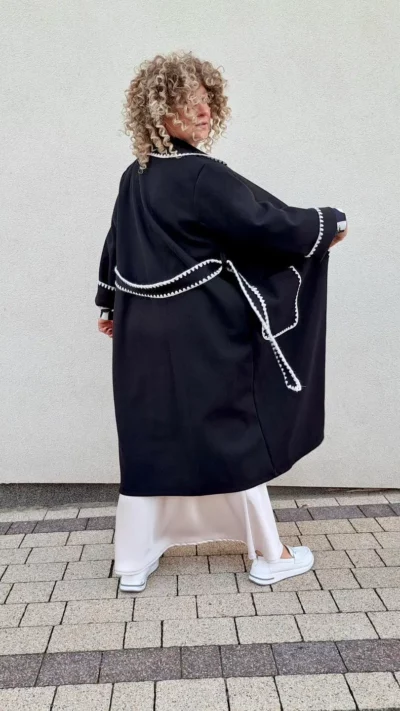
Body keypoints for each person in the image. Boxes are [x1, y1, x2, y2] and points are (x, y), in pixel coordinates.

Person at [95, 51, 348, 592]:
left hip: (140, 332)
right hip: (201, 330)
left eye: (206, 99)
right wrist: (326, 224)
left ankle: (134, 560)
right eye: (187, 102)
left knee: (150, 434)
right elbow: (264, 222)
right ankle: (270, 555)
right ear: (159, 112)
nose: (203, 110)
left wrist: (111, 306)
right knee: (228, 431)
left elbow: (115, 247)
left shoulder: (134, 177)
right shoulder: (201, 175)